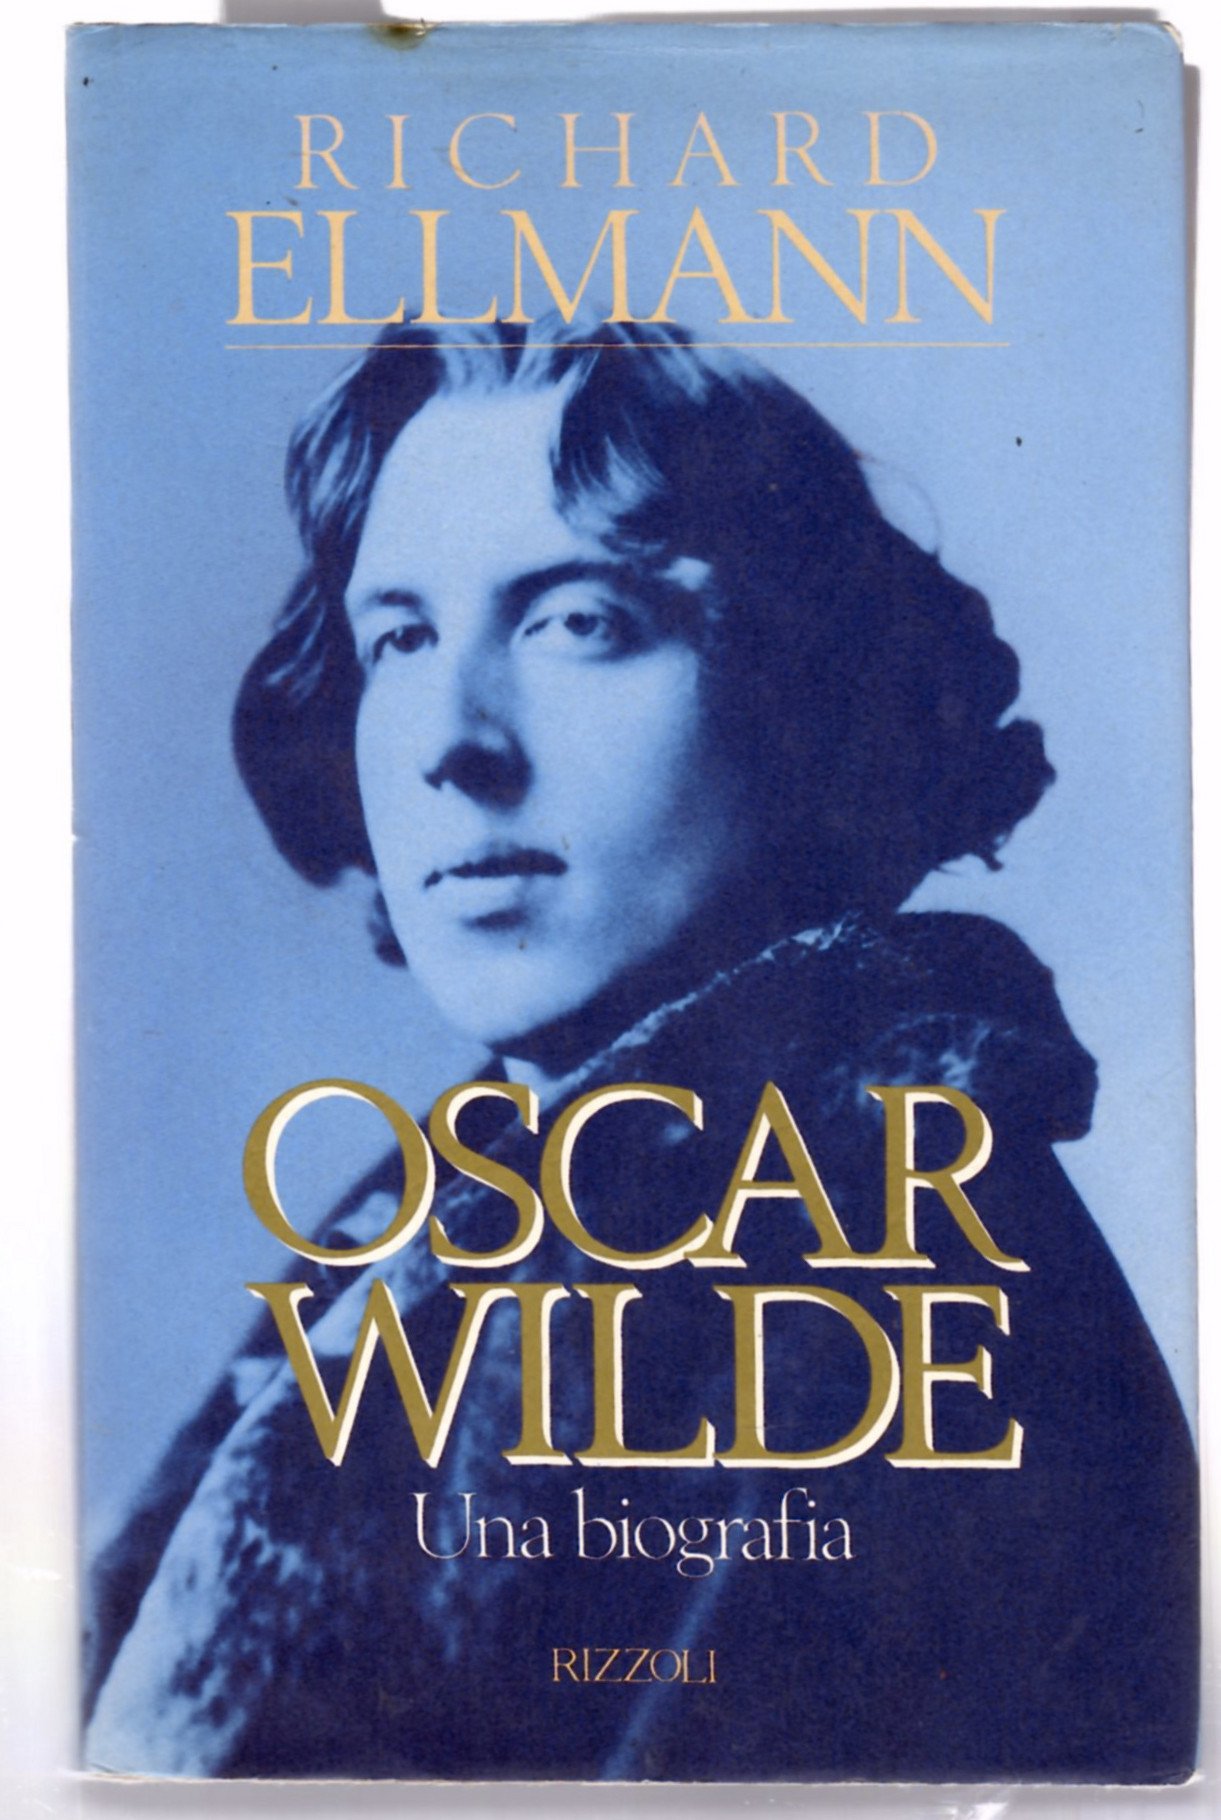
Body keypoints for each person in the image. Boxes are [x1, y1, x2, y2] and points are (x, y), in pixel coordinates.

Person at [84, 319, 1197, 1782]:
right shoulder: (421, 1225)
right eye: (400, 638)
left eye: (579, 621)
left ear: (811, 698)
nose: (448, 744)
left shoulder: (898, 1254)